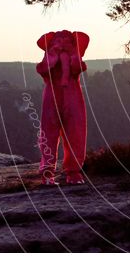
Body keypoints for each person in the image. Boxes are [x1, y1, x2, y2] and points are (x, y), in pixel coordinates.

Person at [35, 30, 90, 185]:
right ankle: (47, 172)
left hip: (72, 95)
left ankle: (73, 172)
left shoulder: (74, 54)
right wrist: (53, 54)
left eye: (67, 40)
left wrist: (72, 53)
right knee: (48, 131)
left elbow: (77, 68)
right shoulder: (50, 54)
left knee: (75, 131)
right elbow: (43, 70)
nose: (63, 43)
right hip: (53, 94)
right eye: (59, 40)